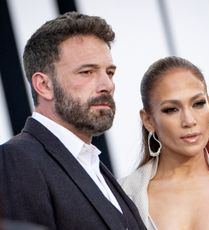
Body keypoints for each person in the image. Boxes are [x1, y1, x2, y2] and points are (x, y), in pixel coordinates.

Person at [0, 11, 146, 230]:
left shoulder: (92, 163)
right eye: (87, 72)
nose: (107, 84)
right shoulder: (16, 160)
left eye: (110, 72)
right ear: (44, 85)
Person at [120, 56, 209, 230]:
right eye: (171, 109)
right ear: (148, 120)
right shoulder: (124, 195)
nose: (189, 120)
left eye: (198, 104)